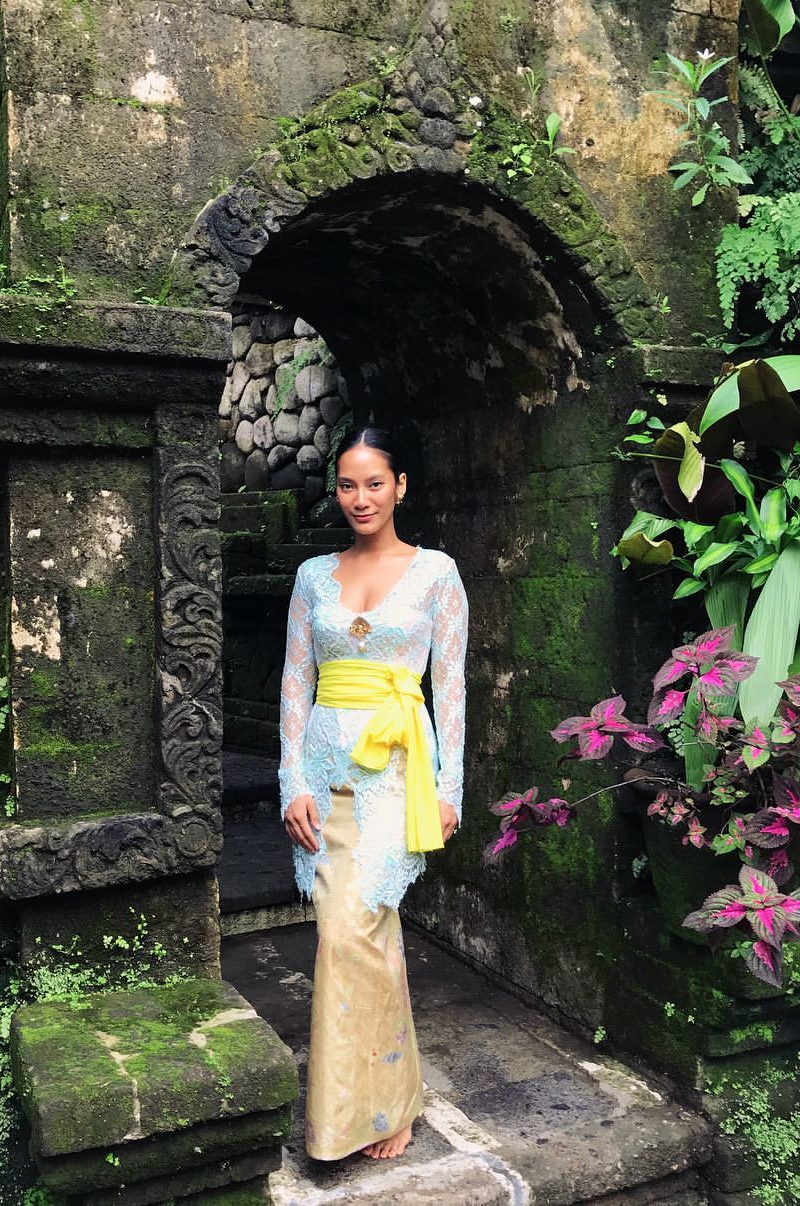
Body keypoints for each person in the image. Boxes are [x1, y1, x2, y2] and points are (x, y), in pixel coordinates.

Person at [279, 424, 469, 1162]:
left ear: (400, 487)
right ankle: (386, 1101)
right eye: (347, 485)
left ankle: (373, 1109)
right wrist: (291, 781)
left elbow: (449, 687)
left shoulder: (437, 574)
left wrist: (450, 789)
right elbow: (296, 682)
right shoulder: (311, 576)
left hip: (396, 777)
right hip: (324, 780)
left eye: (374, 483)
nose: (360, 498)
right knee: (354, 938)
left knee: (355, 932)